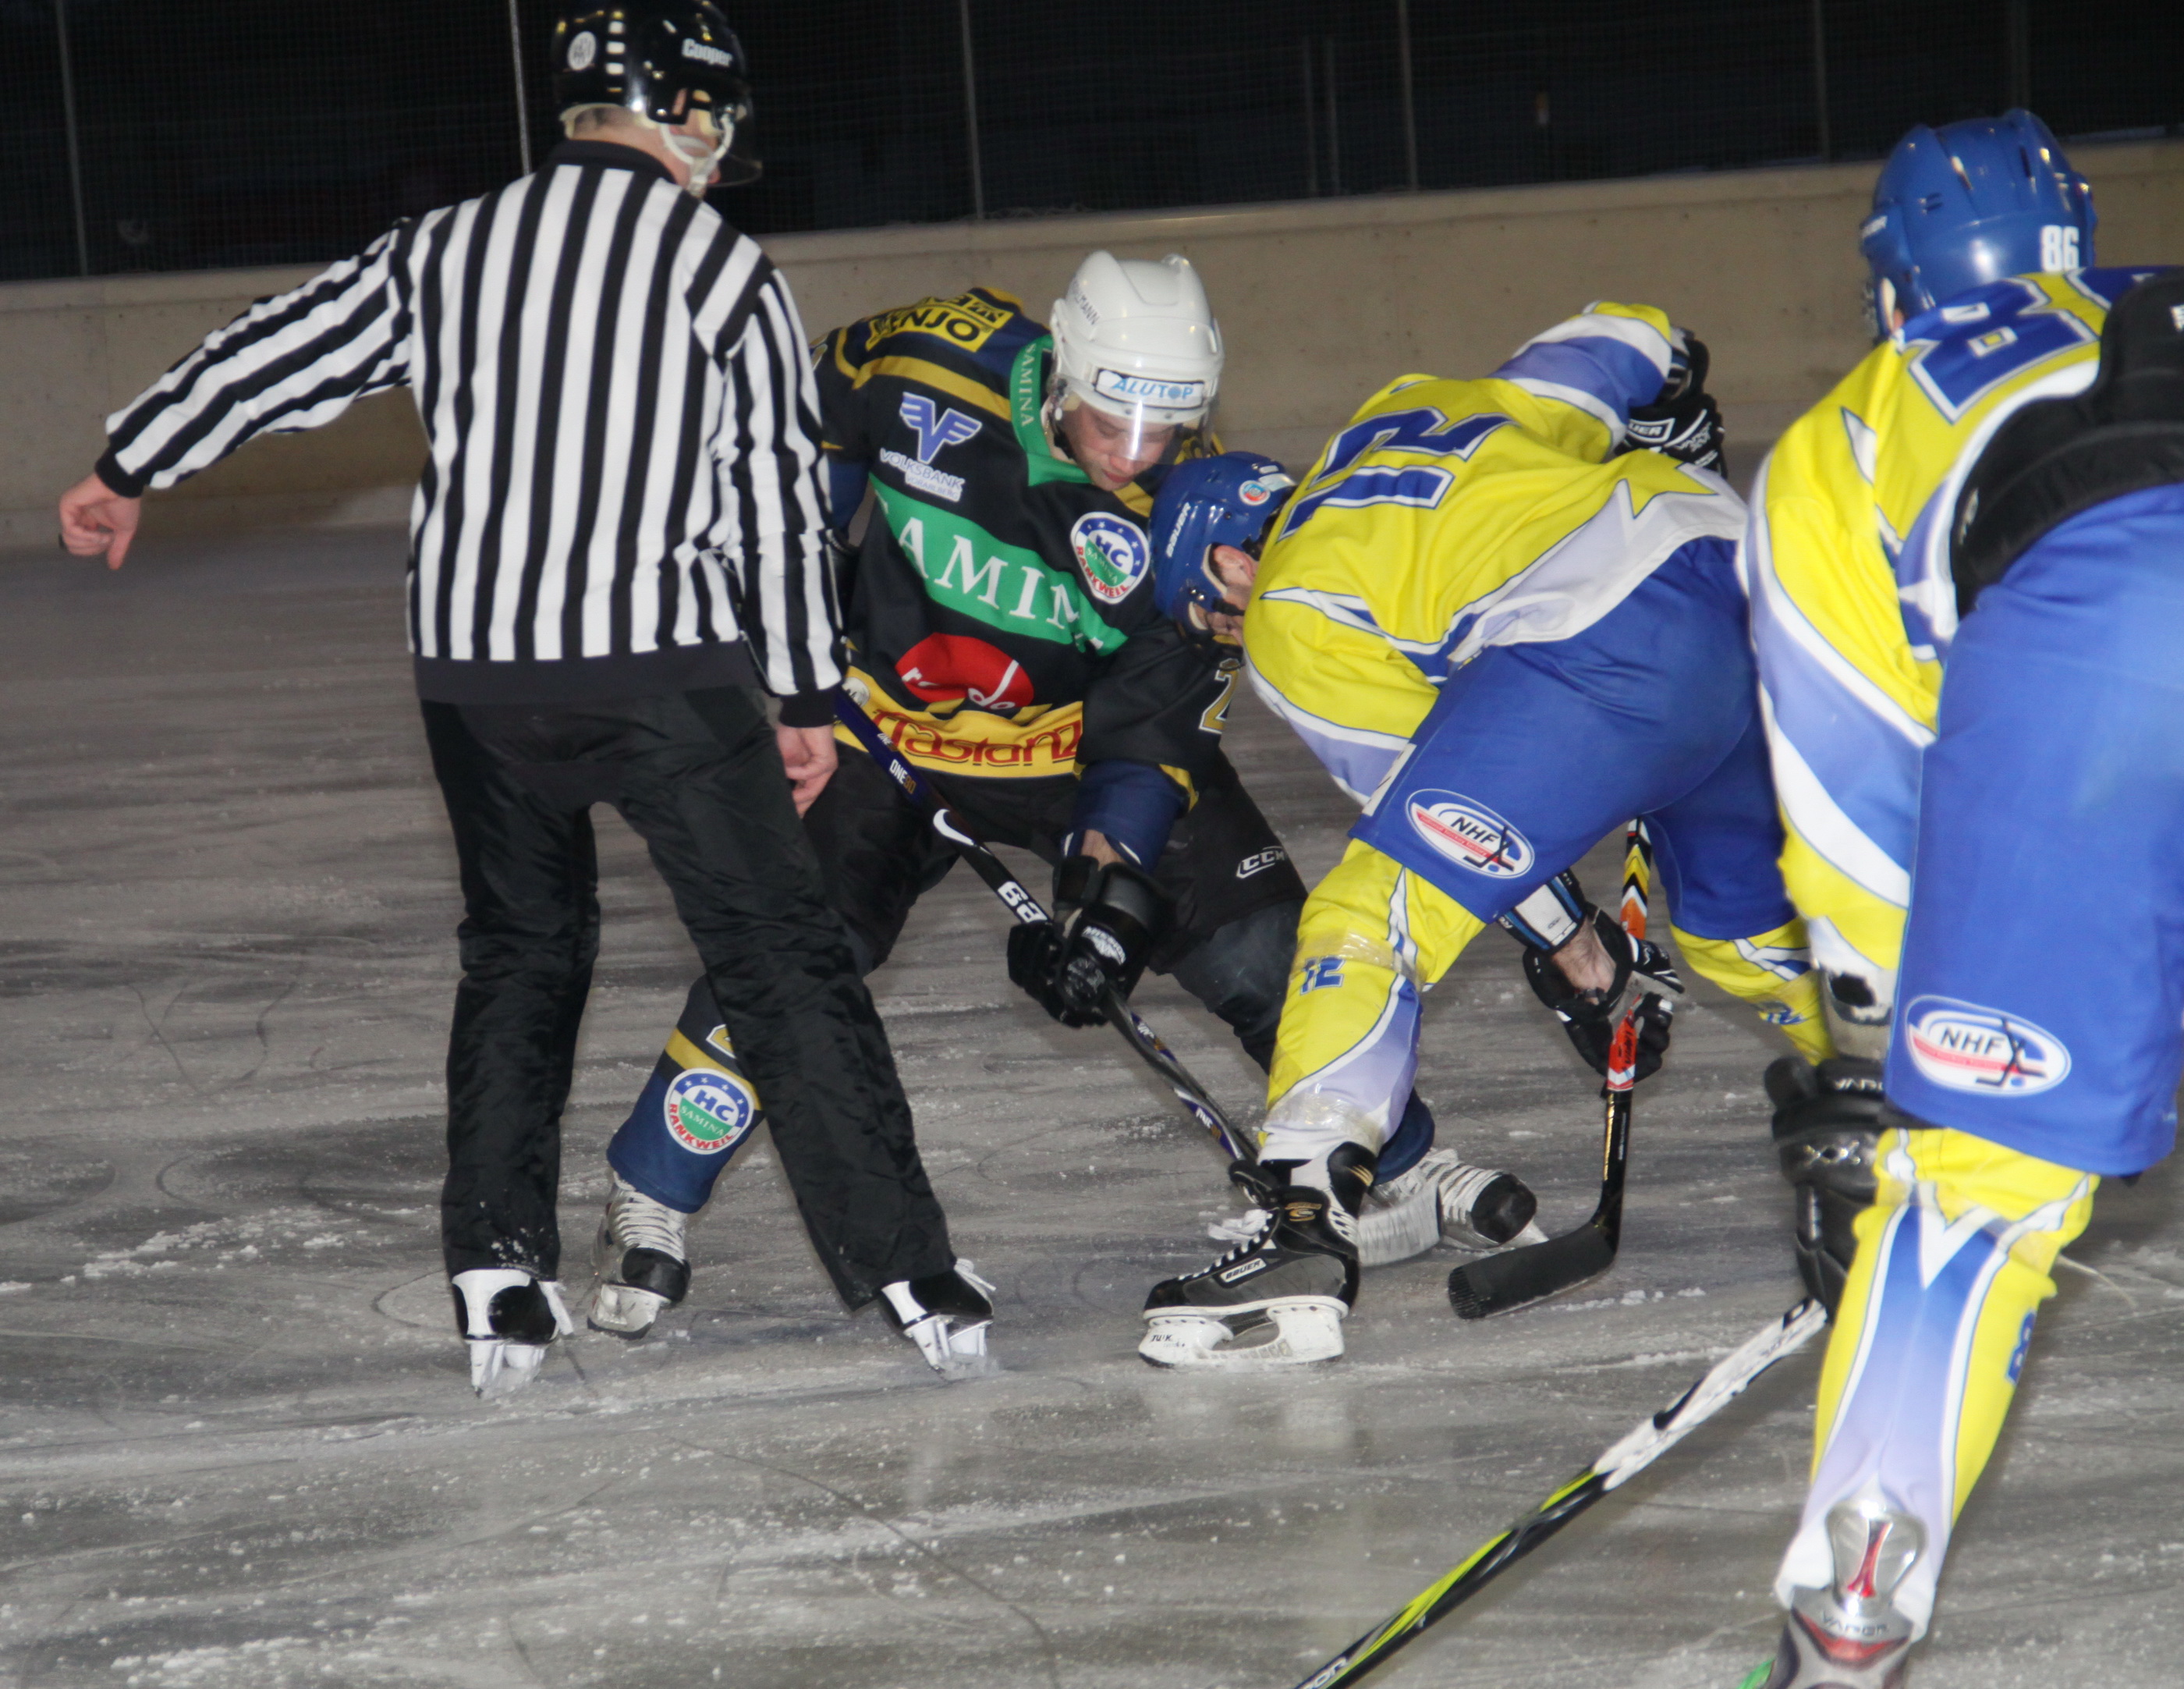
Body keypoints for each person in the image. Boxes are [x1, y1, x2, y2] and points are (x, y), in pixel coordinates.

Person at [55, 2, 992, 1395]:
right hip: (659, 665)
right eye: (716, 119)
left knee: (521, 952)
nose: (720, 147)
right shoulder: (721, 268)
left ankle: (497, 1270)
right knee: (780, 956)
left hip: (478, 673)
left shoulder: (446, 245)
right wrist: (804, 689)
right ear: (684, 111)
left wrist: (130, 462)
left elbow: (279, 352)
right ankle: (910, 1271)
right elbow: (778, 507)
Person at [587, 253, 1540, 1339]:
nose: (1132, 452)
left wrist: (1104, 903)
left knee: (1262, 945)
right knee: (790, 952)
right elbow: (803, 426)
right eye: (1112, 419)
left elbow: (1151, 730)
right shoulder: (932, 359)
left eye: (1164, 428)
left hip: (1069, 749)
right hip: (879, 724)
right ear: (1065, 371)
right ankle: (650, 1191)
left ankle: (1389, 1160)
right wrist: (797, 600)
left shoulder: (1202, 521)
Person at [1135, 308, 1835, 1368]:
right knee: (1746, 934)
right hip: (1754, 577)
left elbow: (1447, 815)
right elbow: (1628, 338)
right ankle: (1949, 1094)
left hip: (1609, 649)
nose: (1233, 635)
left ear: (1233, 564)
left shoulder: (1287, 602)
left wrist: (1582, 957)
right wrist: (1680, 400)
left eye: (1213, 616)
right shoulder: (1407, 409)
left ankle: (1305, 1223)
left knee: (1371, 911)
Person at [1735, 111, 2176, 1686]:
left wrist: (1881, 1047)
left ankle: (1856, 1588)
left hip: (2102, 642)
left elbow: (1851, 787)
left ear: (1888, 289)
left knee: (1975, 1194)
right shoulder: (2152, 299)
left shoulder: (1851, 426)